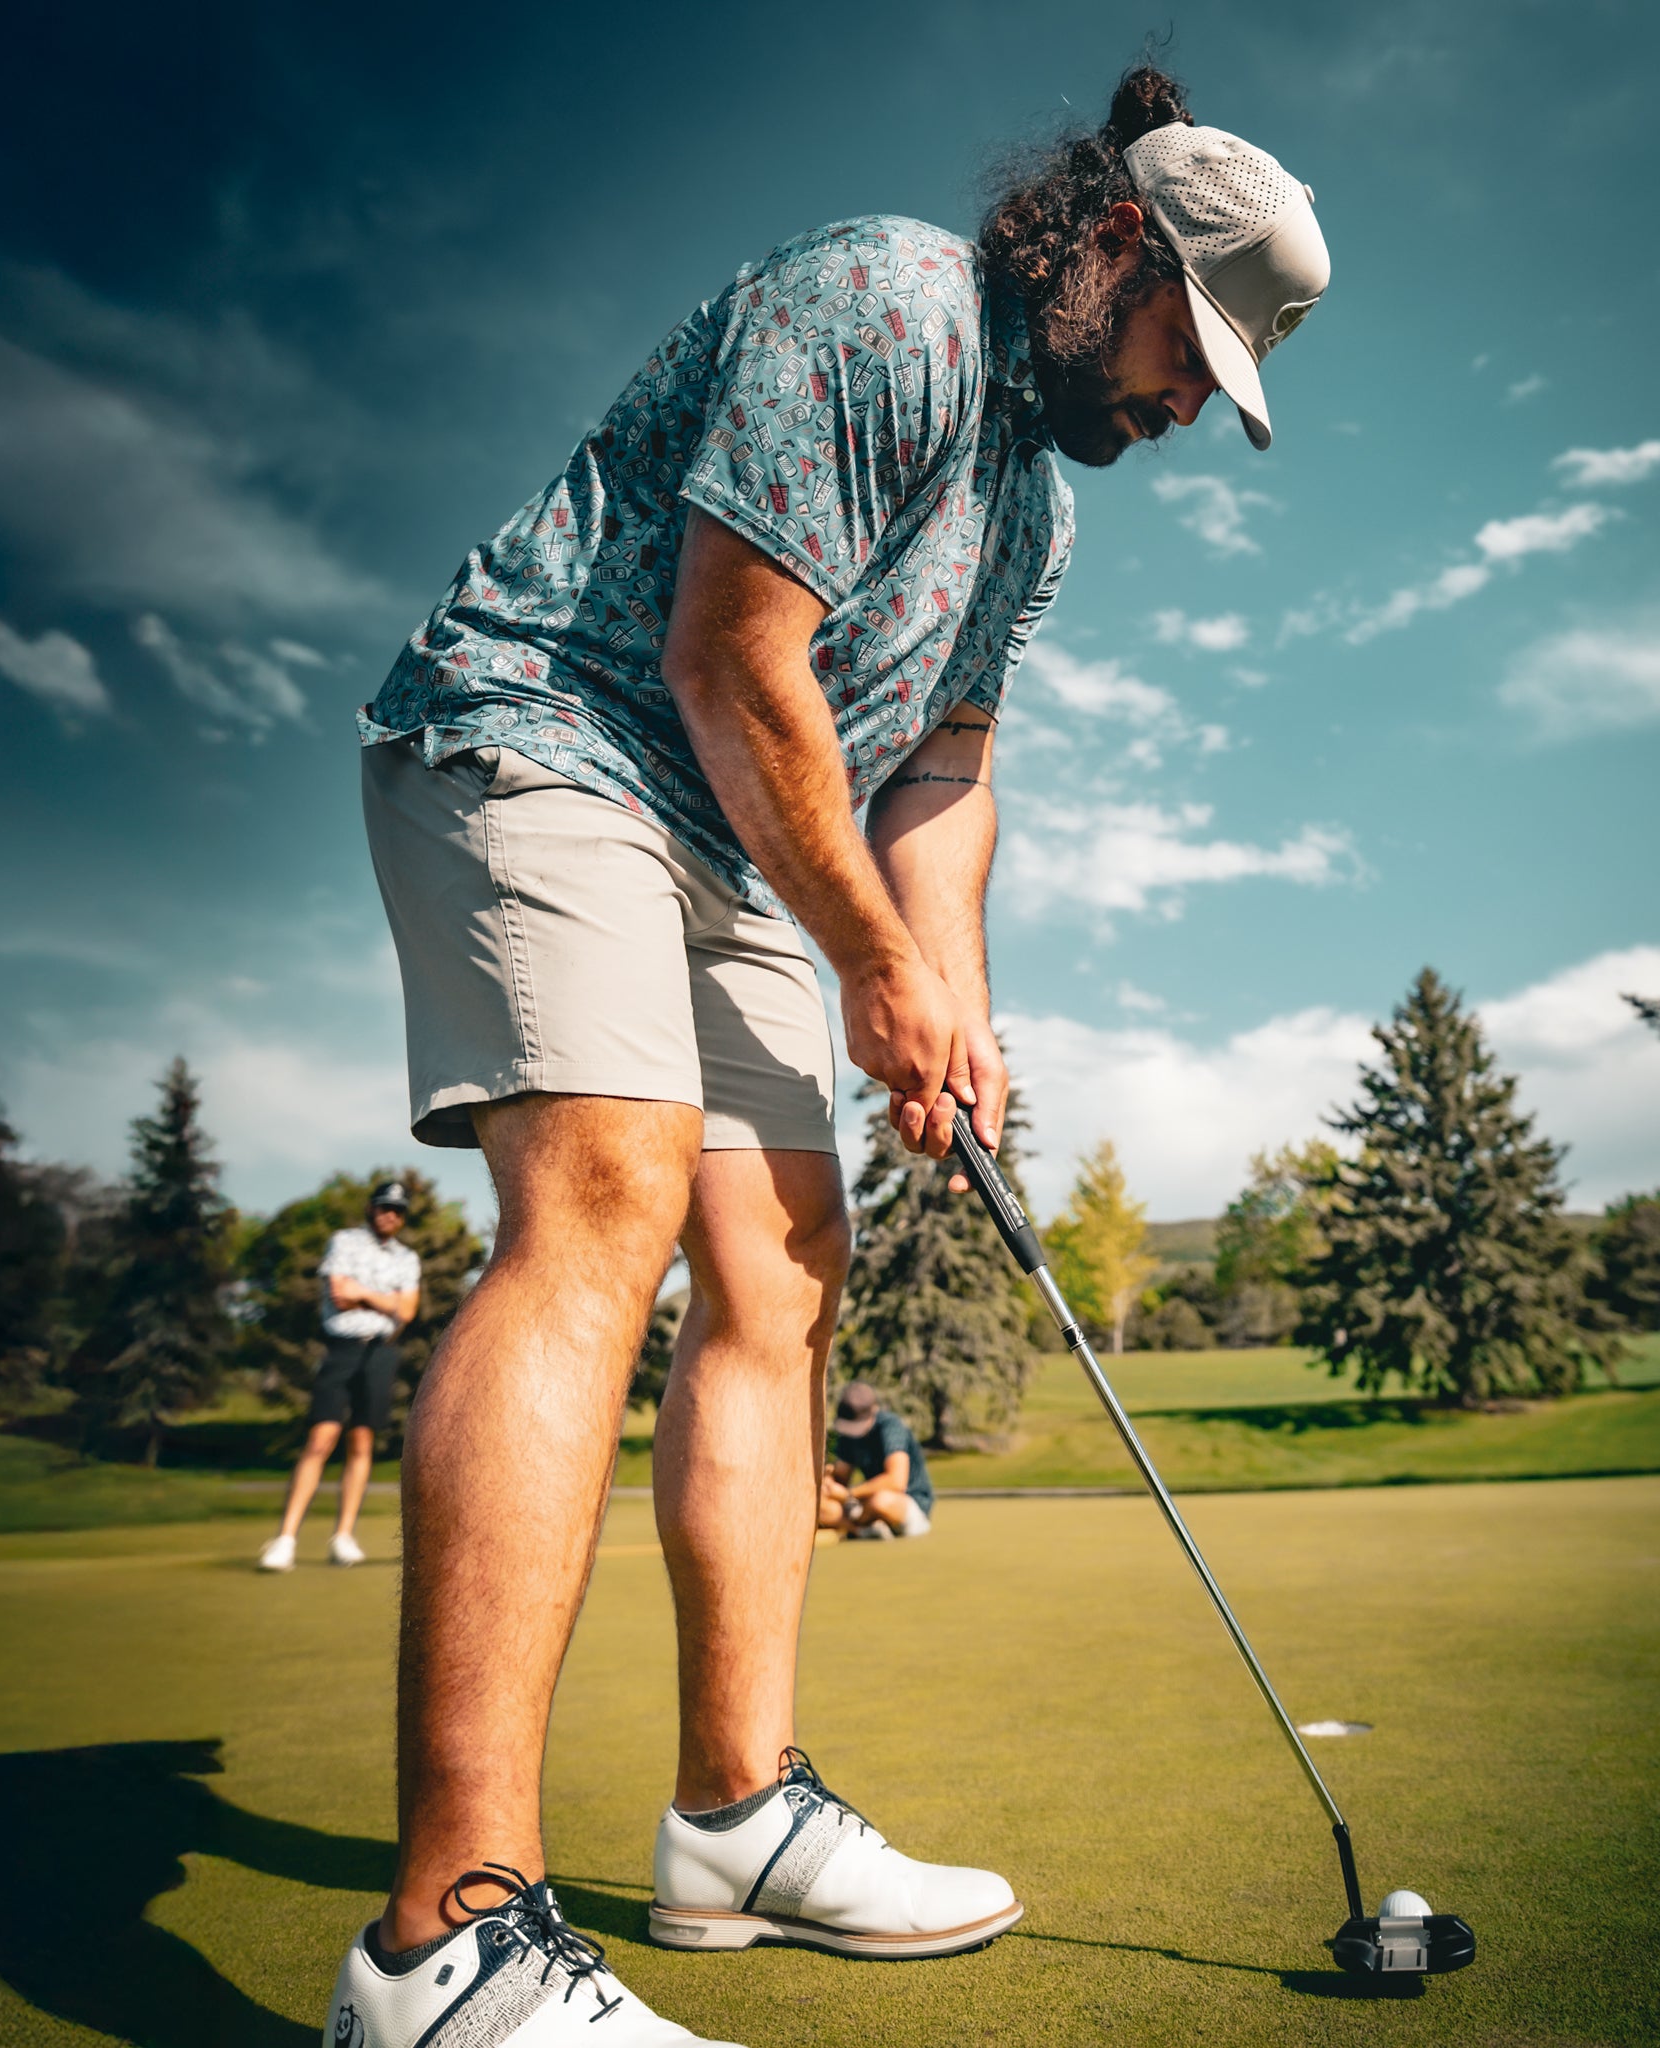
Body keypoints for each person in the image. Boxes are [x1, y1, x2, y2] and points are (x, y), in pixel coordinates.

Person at [327, 62, 1327, 2045]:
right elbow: (730, 654)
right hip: (548, 735)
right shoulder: (885, 303)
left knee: (785, 1270)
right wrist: (869, 958)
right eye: (1187, 348)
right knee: (606, 1193)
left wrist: (943, 990)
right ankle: (443, 1940)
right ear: (1112, 240)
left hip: (728, 832)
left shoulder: (1031, 513)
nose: (1193, 402)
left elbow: (941, 769)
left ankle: (735, 1818)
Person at [260, 1181, 420, 1573]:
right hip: (342, 1350)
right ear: (371, 1208)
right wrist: (387, 1301)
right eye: (385, 1207)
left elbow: (408, 1312)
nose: (391, 1215)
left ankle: (344, 1536)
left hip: (380, 1353)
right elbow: (338, 1294)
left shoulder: (407, 1257)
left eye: (398, 1211)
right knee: (322, 1438)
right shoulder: (344, 1242)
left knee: (362, 1442)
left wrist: (363, 1294)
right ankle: (285, 1539)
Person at [819, 1382, 934, 1539]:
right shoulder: (848, 1434)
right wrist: (829, 1483)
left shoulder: (891, 1427)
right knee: (817, 1503)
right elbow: (841, 1476)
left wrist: (848, 1494)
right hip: (863, 1504)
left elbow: (896, 1482)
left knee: (881, 1501)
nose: (852, 1431)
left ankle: (856, 1526)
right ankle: (861, 1530)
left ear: (873, 1411)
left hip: (907, 1502)